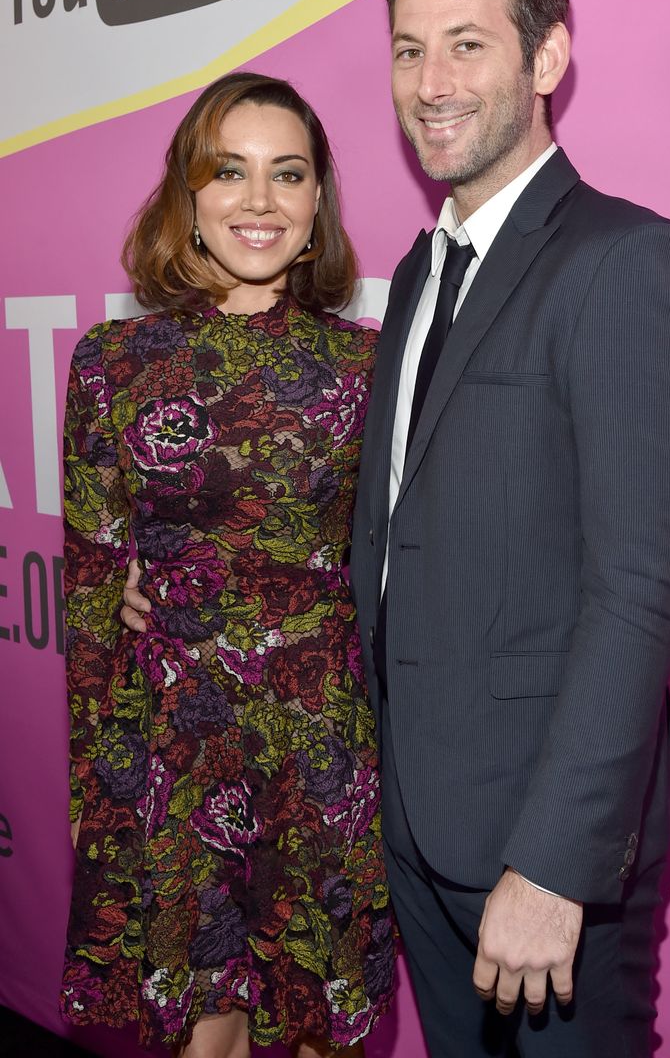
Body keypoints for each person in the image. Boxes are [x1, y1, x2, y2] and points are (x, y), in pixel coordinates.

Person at [345, 0, 670, 1057]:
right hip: (417, 826)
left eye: (467, 44)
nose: (430, 81)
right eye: (409, 49)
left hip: (541, 852)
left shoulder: (627, 263)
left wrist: (554, 861)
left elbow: (637, 591)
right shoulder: (417, 274)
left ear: (546, 56)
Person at [60, 72, 394, 1058]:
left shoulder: (368, 367)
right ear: (188, 197)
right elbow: (87, 603)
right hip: (174, 748)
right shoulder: (112, 361)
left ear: (316, 200)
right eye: (229, 172)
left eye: (286, 174)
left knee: (322, 1034)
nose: (259, 202)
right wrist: (98, 797)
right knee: (207, 1040)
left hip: (326, 739)